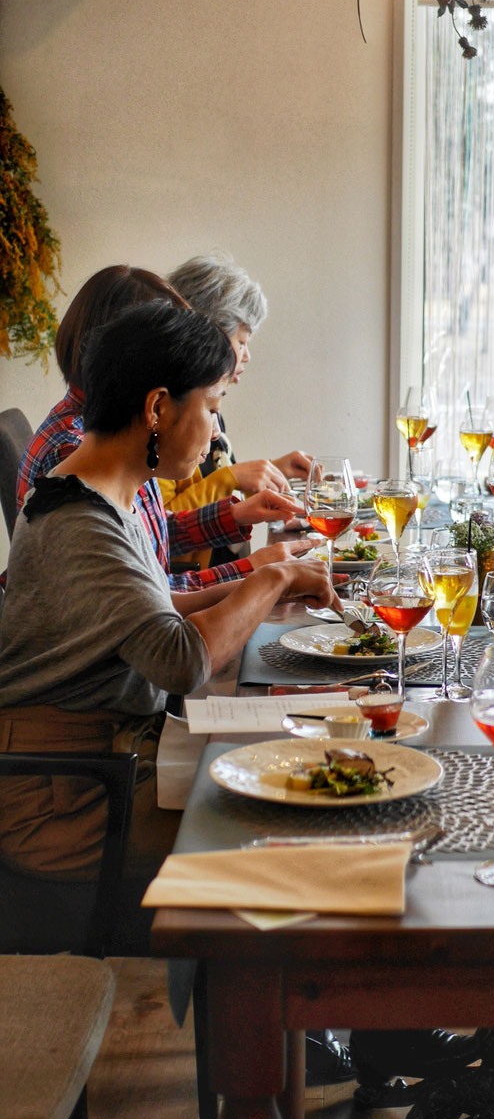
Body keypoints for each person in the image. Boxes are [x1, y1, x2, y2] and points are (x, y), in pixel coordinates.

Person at [0, 302, 334, 955]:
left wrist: (266, 576)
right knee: (297, 821)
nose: (215, 433)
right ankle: (290, 1032)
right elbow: (181, 660)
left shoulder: (98, 492)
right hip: (68, 800)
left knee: (308, 764)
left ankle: (316, 1036)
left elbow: (156, 605)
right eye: (211, 407)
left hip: (116, 762)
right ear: (157, 408)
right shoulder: (80, 523)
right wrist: (267, 581)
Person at [15, 265, 318, 592]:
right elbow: (152, 601)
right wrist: (252, 572)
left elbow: (148, 534)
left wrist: (235, 516)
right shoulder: (80, 453)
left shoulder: (119, 434)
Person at [164, 253, 313, 521]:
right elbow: (163, 526)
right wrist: (232, 478)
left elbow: (212, 489)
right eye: (241, 342)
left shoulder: (207, 406)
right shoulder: (167, 412)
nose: (246, 356)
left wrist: (268, 471)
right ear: (209, 335)